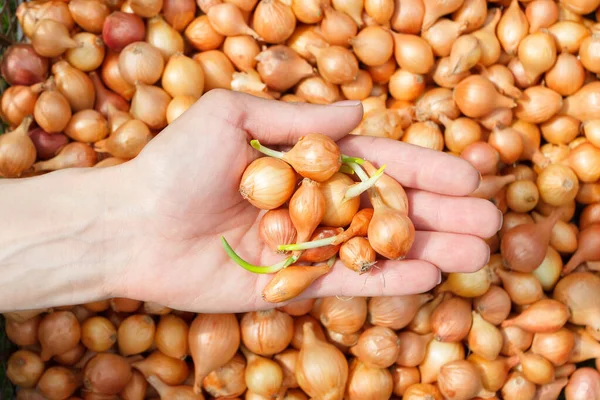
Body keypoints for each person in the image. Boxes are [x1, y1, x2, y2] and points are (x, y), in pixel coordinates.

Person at [0, 90, 501, 313]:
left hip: (335, 215)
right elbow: (324, 178)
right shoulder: (313, 188)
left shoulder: (333, 196)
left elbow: (333, 185)